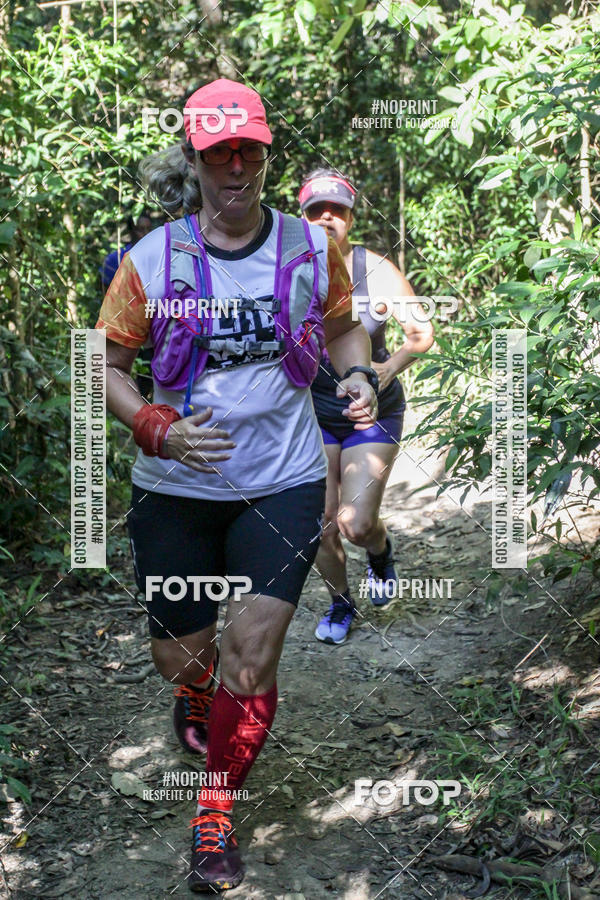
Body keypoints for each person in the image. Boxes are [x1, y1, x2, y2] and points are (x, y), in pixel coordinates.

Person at [96, 79, 379, 893]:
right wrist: (156, 426)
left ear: (263, 155)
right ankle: (195, 692)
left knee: (251, 656)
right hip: (174, 487)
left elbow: (341, 326)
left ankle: (214, 814)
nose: (234, 168)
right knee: (183, 655)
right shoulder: (152, 261)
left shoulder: (309, 247)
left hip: (281, 482)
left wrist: (356, 373)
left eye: (247, 151)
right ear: (194, 159)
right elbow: (106, 365)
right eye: (217, 153)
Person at [299, 169, 434, 645]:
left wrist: (389, 368)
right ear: (302, 217)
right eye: (316, 210)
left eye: (337, 210)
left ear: (352, 217)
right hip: (311, 413)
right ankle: (341, 603)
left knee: (354, 524)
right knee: (319, 525)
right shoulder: (285, 270)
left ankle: (378, 551)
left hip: (371, 412)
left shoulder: (375, 271)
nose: (326, 218)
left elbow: (422, 333)